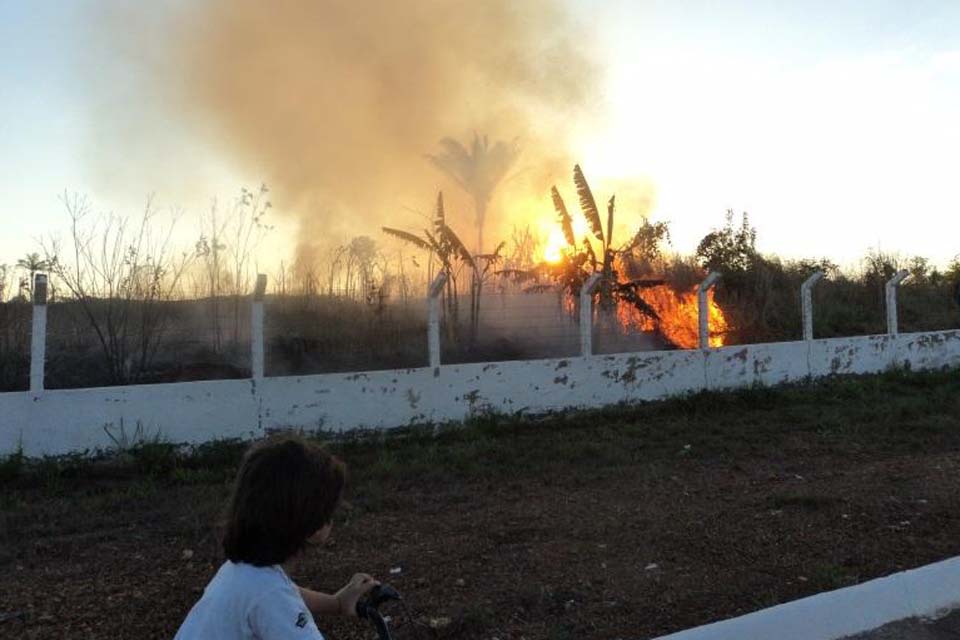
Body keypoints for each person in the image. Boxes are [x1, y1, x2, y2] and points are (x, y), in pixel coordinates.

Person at [175, 434, 378, 639]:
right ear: (312, 523)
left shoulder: (240, 572)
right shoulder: (272, 598)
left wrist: (336, 603)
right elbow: (277, 596)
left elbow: (285, 590)